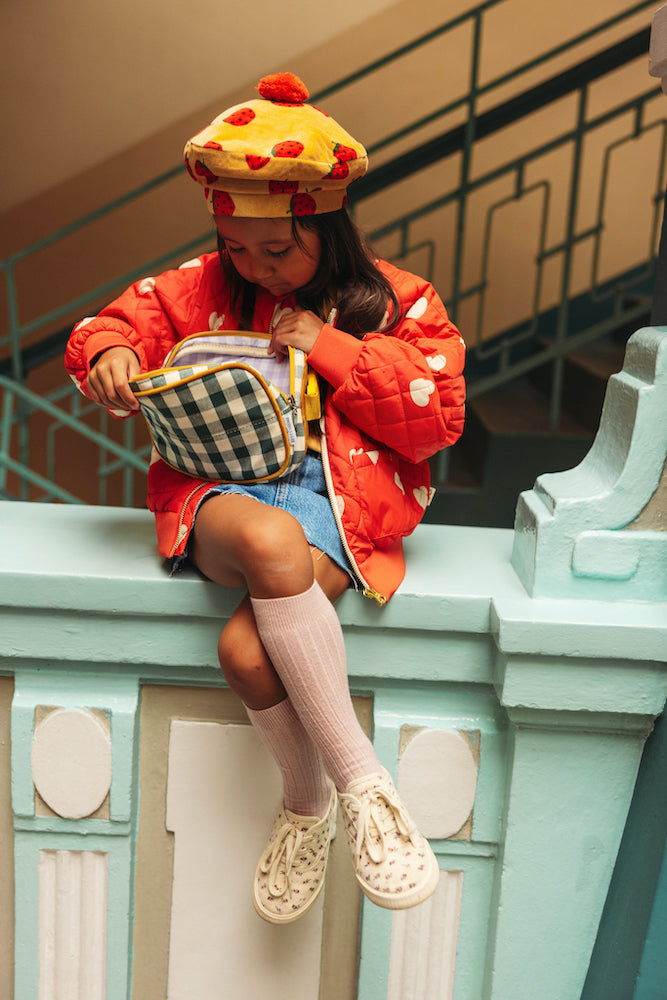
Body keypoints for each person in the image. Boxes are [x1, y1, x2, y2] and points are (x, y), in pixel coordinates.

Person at [65, 72, 466, 924]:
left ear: (324, 224)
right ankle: (369, 791)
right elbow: (116, 321)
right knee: (271, 544)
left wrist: (326, 344)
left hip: (338, 505)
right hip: (221, 496)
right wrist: (106, 352)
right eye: (236, 247)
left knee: (248, 658)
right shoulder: (205, 285)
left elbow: (434, 420)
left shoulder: (400, 300)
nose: (253, 267)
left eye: (276, 251)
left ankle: (306, 810)